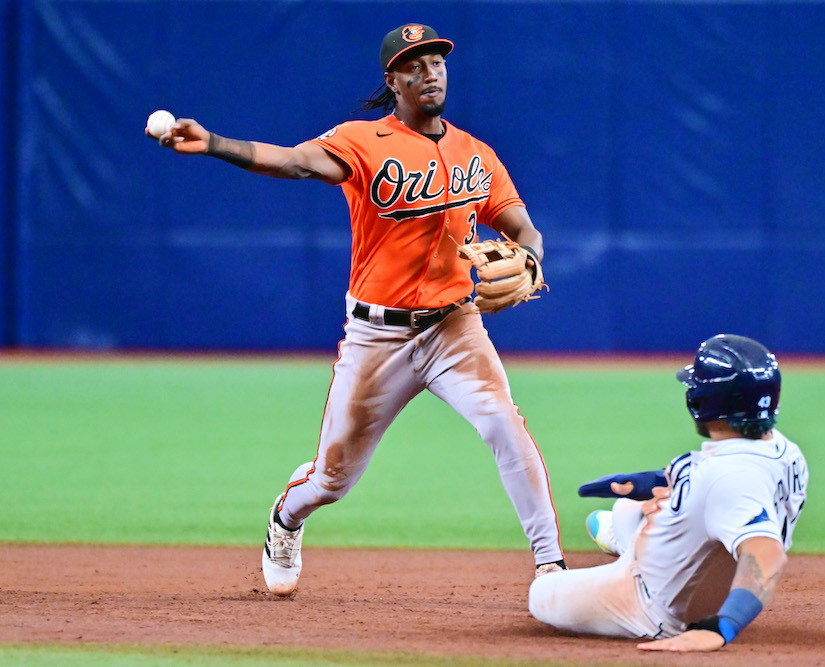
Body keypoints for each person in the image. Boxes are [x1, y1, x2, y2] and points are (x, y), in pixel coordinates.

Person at [149, 23, 566, 595]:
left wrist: (533, 259)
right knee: (332, 481)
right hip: (378, 337)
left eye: (436, 62)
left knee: (503, 423)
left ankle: (551, 566)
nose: (429, 73)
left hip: (454, 326)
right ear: (392, 80)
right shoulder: (362, 141)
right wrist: (217, 143)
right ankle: (286, 519)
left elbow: (522, 226)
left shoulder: (477, 154)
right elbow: (294, 162)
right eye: (414, 65)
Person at [528, 334, 808, 653]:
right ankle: (629, 540)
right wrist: (644, 482)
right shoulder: (785, 451)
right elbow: (705, 485)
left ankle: (629, 552)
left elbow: (766, 553)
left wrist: (722, 627)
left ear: (702, 400)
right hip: (710, 575)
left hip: (651, 607)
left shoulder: (729, 478)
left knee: (540, 593)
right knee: (625, 508)